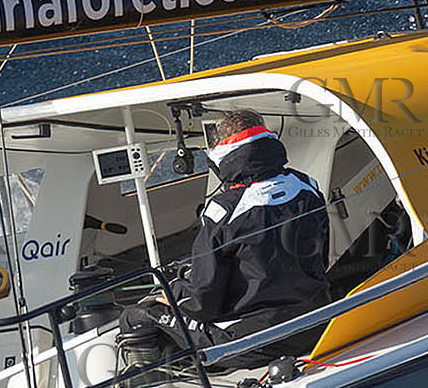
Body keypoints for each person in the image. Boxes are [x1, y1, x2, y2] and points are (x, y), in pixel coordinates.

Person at [118, 109, 330, 359]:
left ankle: (162, 376)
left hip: (250, 341)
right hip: (315, 323)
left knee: (135, 315)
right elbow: (321, 260)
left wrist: (173, 292)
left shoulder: (223, 212)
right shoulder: (308, 187)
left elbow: (201, 302)